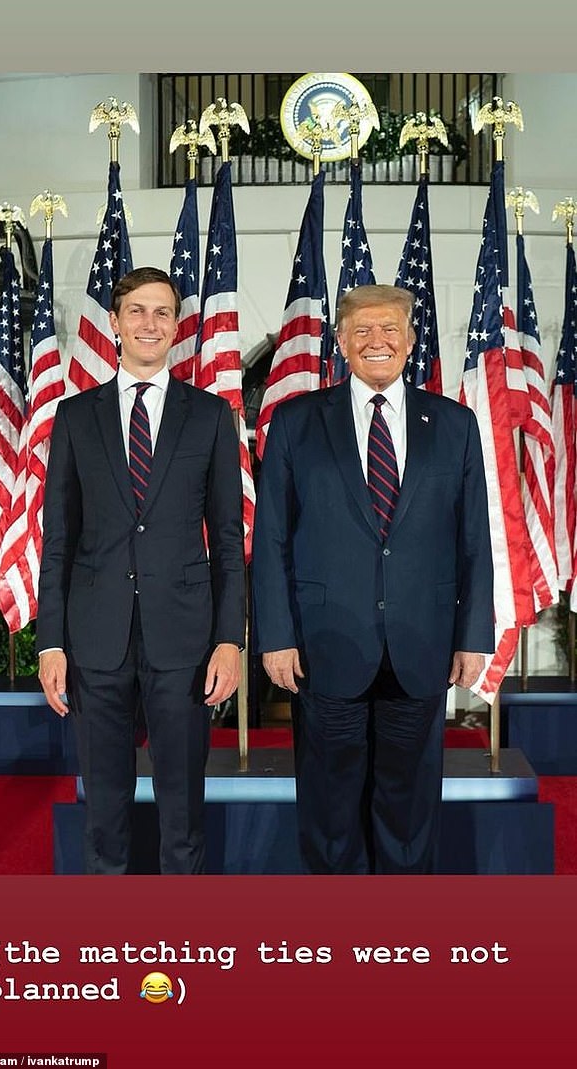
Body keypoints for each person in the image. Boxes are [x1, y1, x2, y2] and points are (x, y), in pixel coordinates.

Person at [252, 284, 494, 874]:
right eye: (362, 331)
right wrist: (276, 636)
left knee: (409, 807)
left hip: (422, 646)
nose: (377, 341)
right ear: (340, 342)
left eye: (390, 330)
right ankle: (339, 938)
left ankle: (397, 939)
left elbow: (474, 540)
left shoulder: (456, 425)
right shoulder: (296, 422)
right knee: (330, 806)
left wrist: (473, 636)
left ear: (412, 340)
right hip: (325, 645)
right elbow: (273, 539)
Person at [37, 266, 245, 874]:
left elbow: (229, 542)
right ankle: (112, 942)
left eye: (161, 313)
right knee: (105, 811)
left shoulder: (209, 416)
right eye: (137, 311)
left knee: (183, 812)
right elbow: (58, 542)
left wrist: (230, 639)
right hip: (94, 640)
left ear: (175, 327)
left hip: (183, 641)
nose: (149, 323)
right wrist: (51, 643)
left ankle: (178, 943)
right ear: (115, 323)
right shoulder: (75, 417)